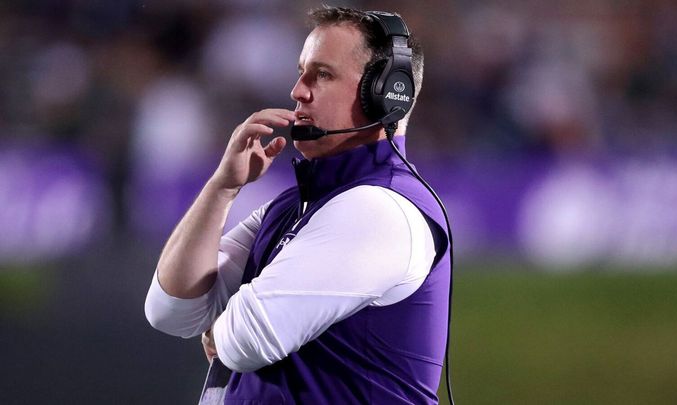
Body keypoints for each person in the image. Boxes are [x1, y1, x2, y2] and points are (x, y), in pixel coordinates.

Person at [144, 6, 451, 404]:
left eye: (322, 75)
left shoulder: (380, 210)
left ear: (385, 96)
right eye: (302, 71)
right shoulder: (295, 205)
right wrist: (221, 189)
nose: (297, 91)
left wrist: (220, 327)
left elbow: (245, 339)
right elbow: (170, 308)